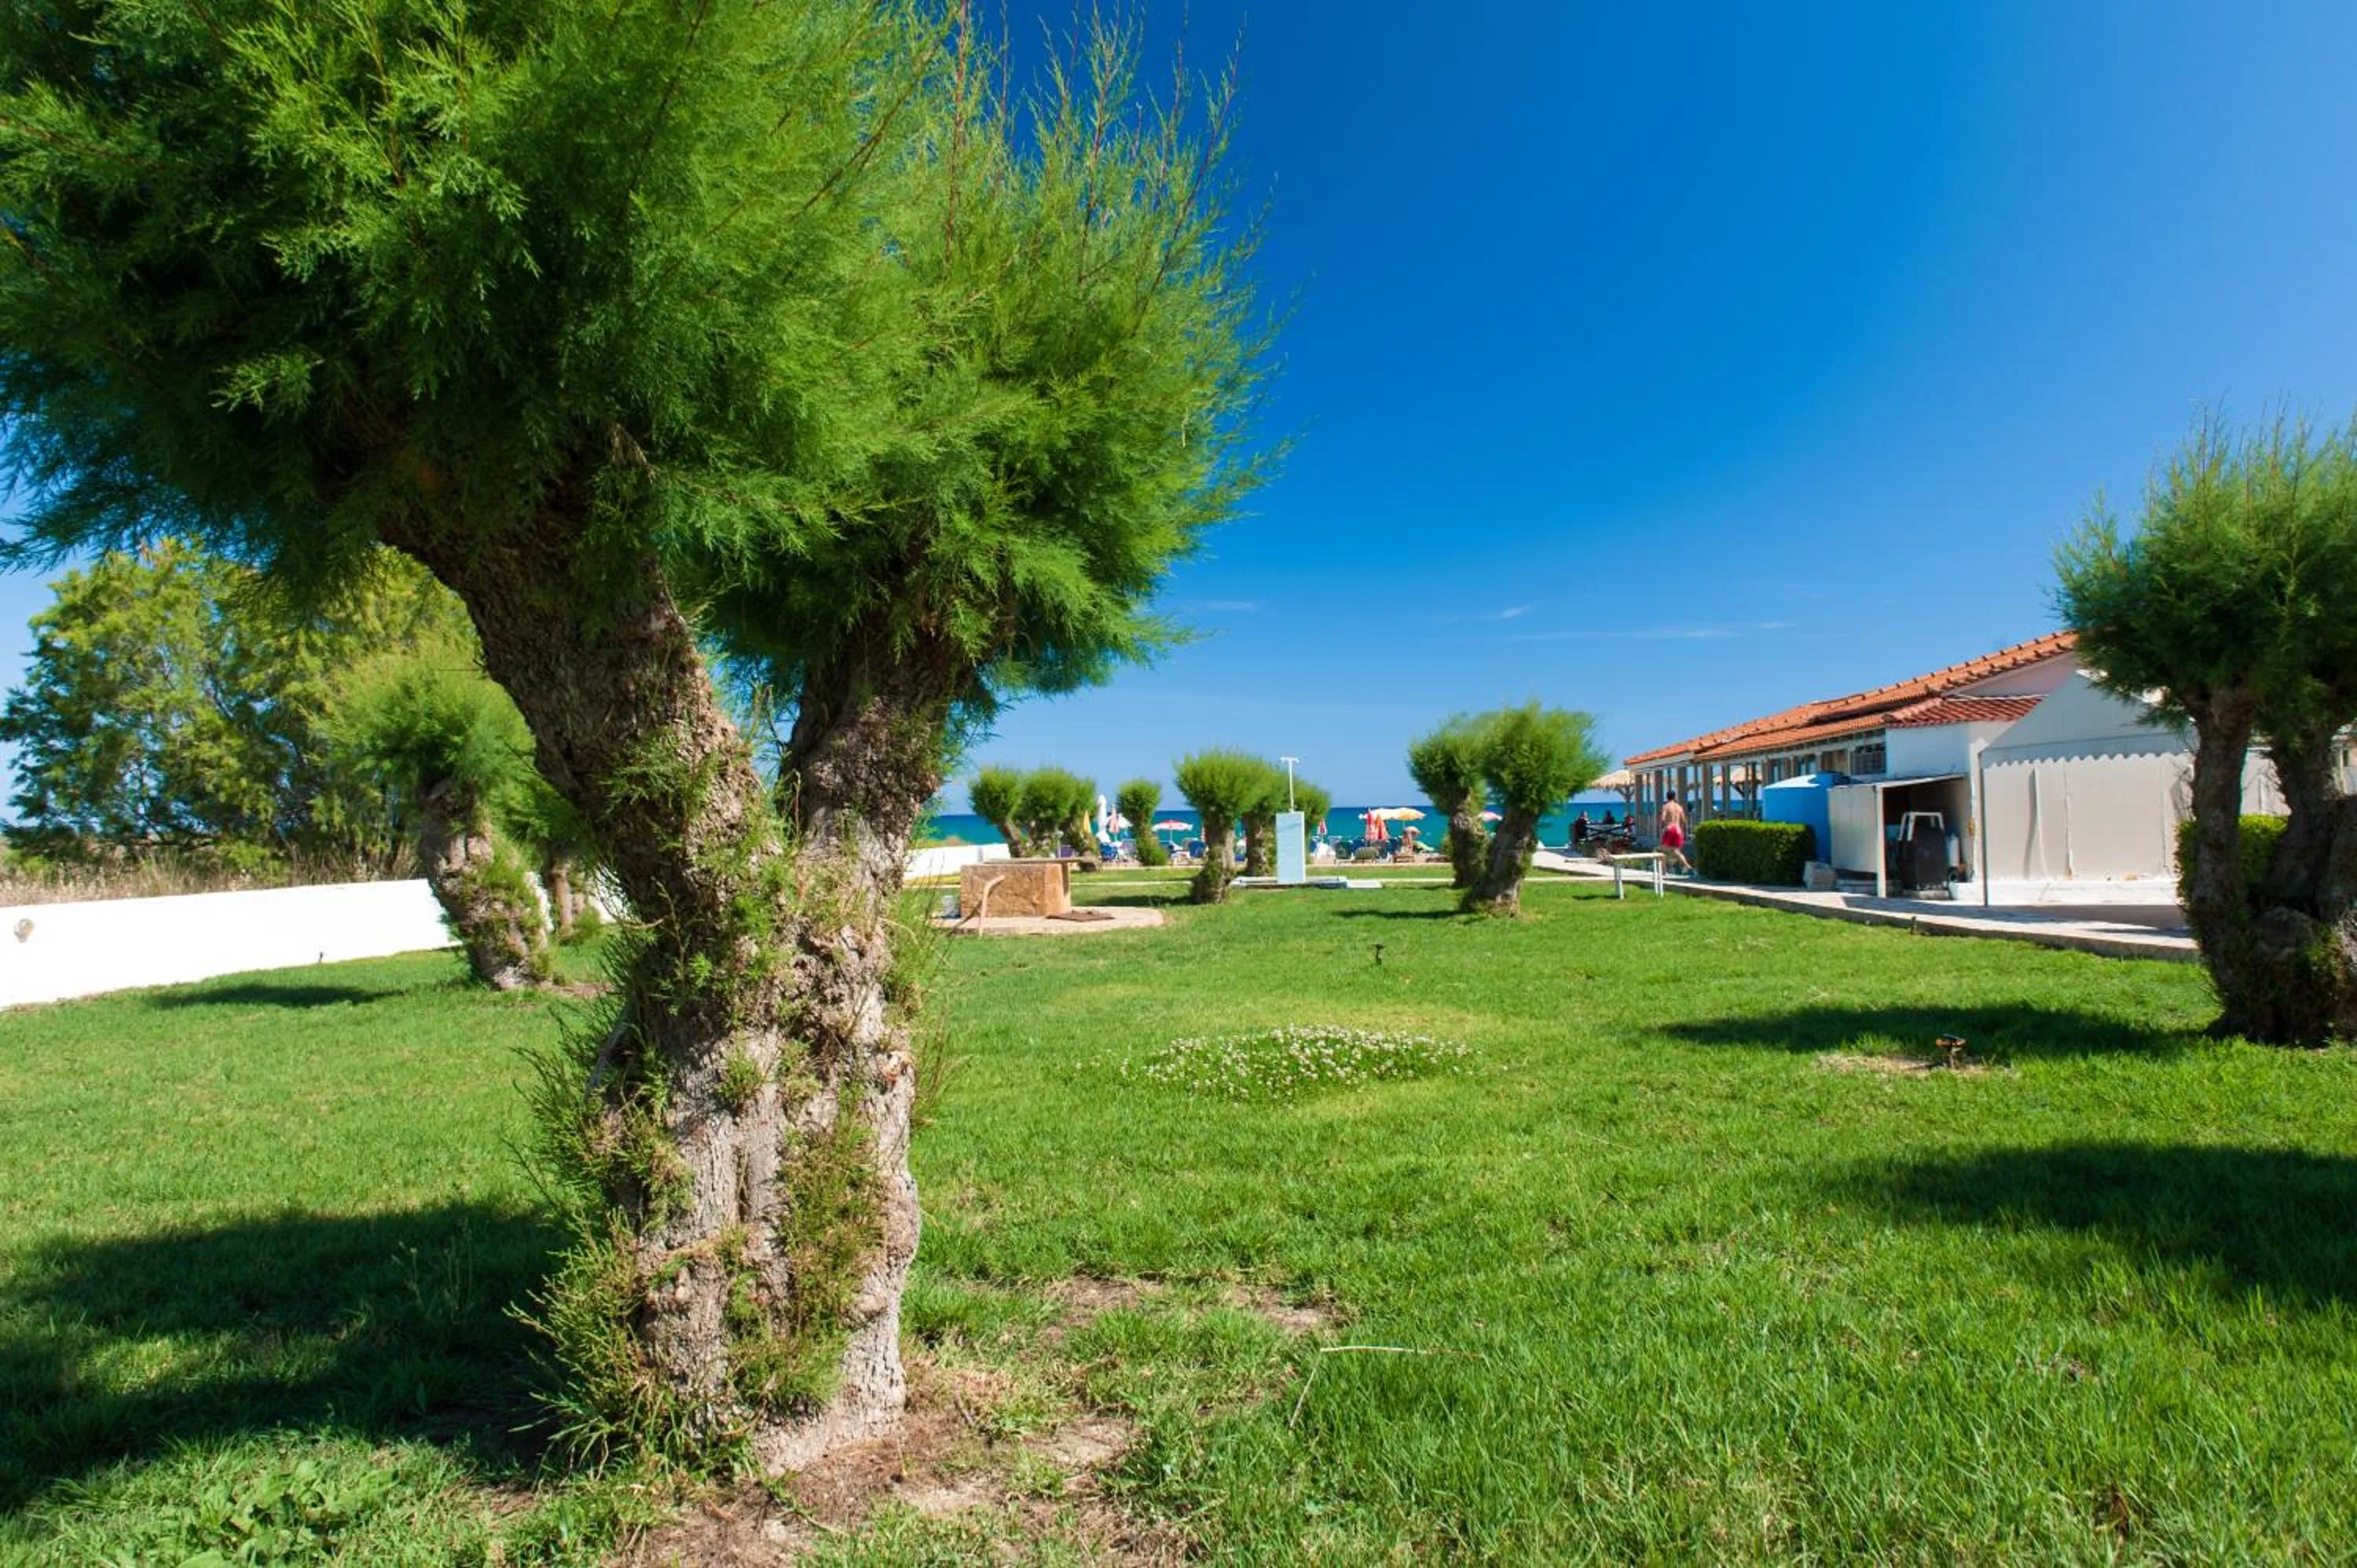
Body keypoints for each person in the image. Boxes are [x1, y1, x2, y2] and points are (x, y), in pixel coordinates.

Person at [1658, 796, 1692, 875]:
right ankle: (1678, 867)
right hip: (1678, 830)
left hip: (1669, 829)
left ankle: (1664, 871)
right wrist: (1682, 831)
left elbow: (1663, 818)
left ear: (1667, 797)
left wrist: (1662, 826)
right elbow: (1683, 820)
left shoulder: (1666, 806)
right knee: (1676, 850)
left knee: (1663, 850)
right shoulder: (1679, 807)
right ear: (1675, 797)